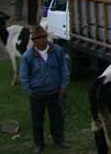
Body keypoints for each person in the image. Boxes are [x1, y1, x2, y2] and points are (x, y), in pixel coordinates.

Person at [19, 24, 70, 153]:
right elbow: (23, 76)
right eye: (38, 38)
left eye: (43, 37)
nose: (42, 40)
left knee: (57, 118)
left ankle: (59, 140)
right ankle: (38, 143)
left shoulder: (57, 51)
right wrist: (30, 92)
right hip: (37, 94)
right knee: (37, 121)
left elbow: (64, 70)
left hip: (55, 92)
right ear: (34, 41)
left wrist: (63, 86)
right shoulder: (27, 56)